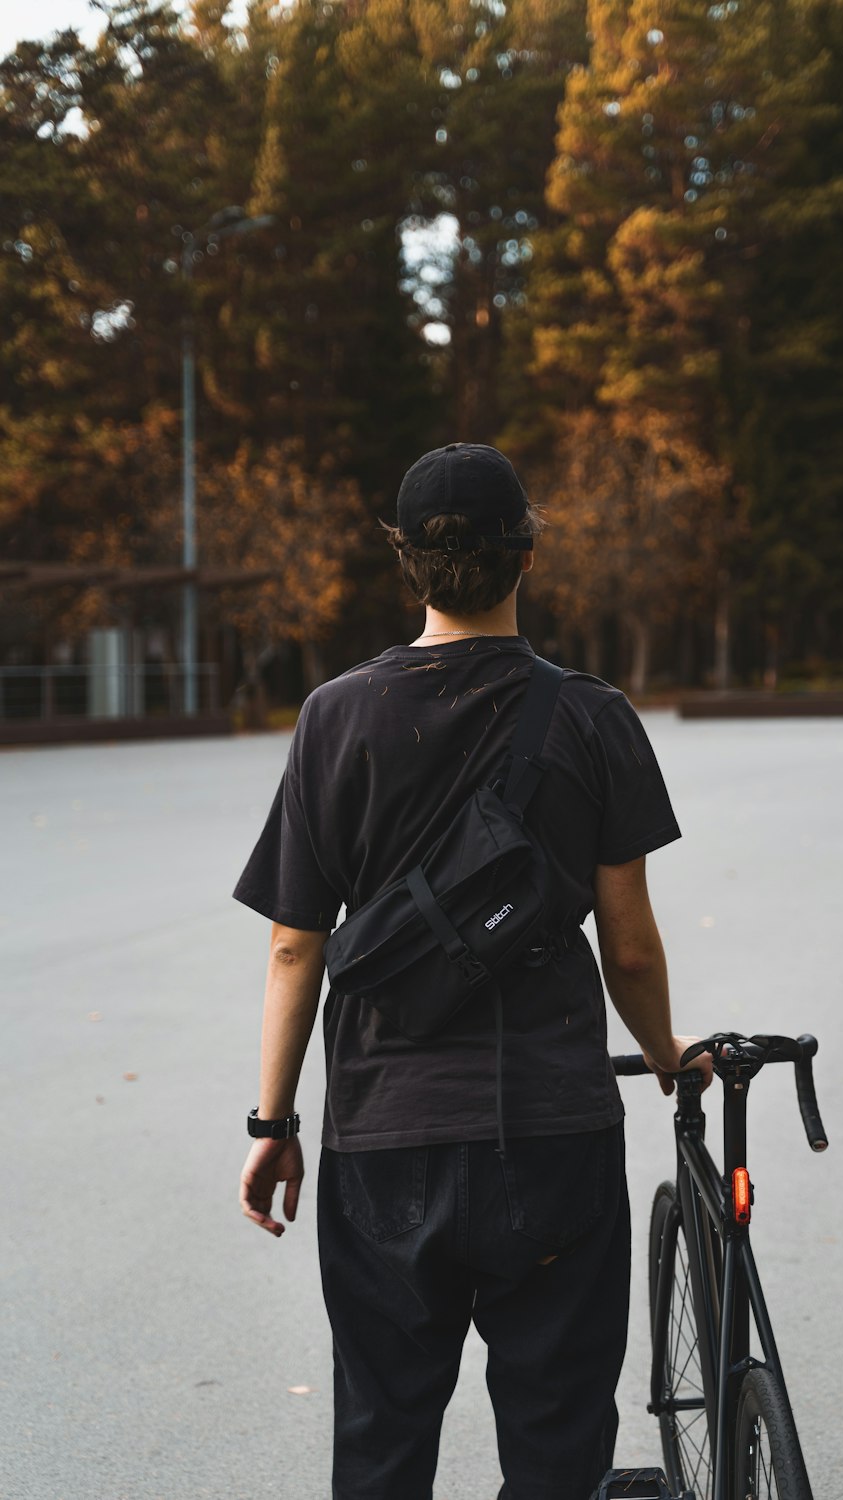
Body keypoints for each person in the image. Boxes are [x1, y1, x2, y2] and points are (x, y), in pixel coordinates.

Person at [234, 441, 711, 1500]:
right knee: (556, 1441)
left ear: (409, 564)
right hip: (553, 1135)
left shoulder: (334, 717)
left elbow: (292, 945)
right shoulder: (590, 715)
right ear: (526, 558)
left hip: (383, 1141)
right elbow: (626, 941)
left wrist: (273, 1128)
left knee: (382, 1440)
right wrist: (668, 1053)